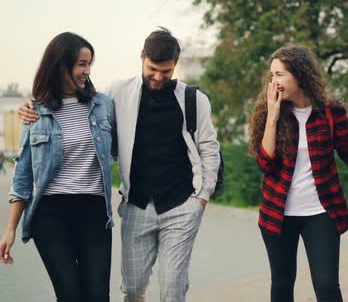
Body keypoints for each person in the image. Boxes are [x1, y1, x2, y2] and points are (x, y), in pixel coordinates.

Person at [17, 28, 221, 302]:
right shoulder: (116, 94)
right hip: (137, 205)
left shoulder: (193, 99)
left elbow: (210, 148)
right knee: (134, 288)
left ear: (175, 66)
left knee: (173, 289)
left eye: (167, 71)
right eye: (152, 69)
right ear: (141, 58)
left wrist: (202, 198)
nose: (159, 77)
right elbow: (80, 108)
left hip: (182, 205)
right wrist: (32, 105)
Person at [250, 44, 348, 302]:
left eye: (279, 74)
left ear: (299, 74)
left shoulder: (331, 112)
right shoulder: (269, 113)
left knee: (326, 287)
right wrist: (272, 116)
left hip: (321, 212)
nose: (274, 81)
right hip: (277, 214)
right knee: (282, 285)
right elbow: (265, 164)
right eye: (271, 76)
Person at [0, 32, 116, 302]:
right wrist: (10, 229)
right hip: (50, 214)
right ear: (60, 66)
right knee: (70, 294)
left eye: (90, 64)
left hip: (93, 210)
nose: (87, 71)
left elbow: (125, 148)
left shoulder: (103, 105)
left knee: (98, 295)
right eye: (81, 64)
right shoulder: (37, 112)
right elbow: (24, 175)